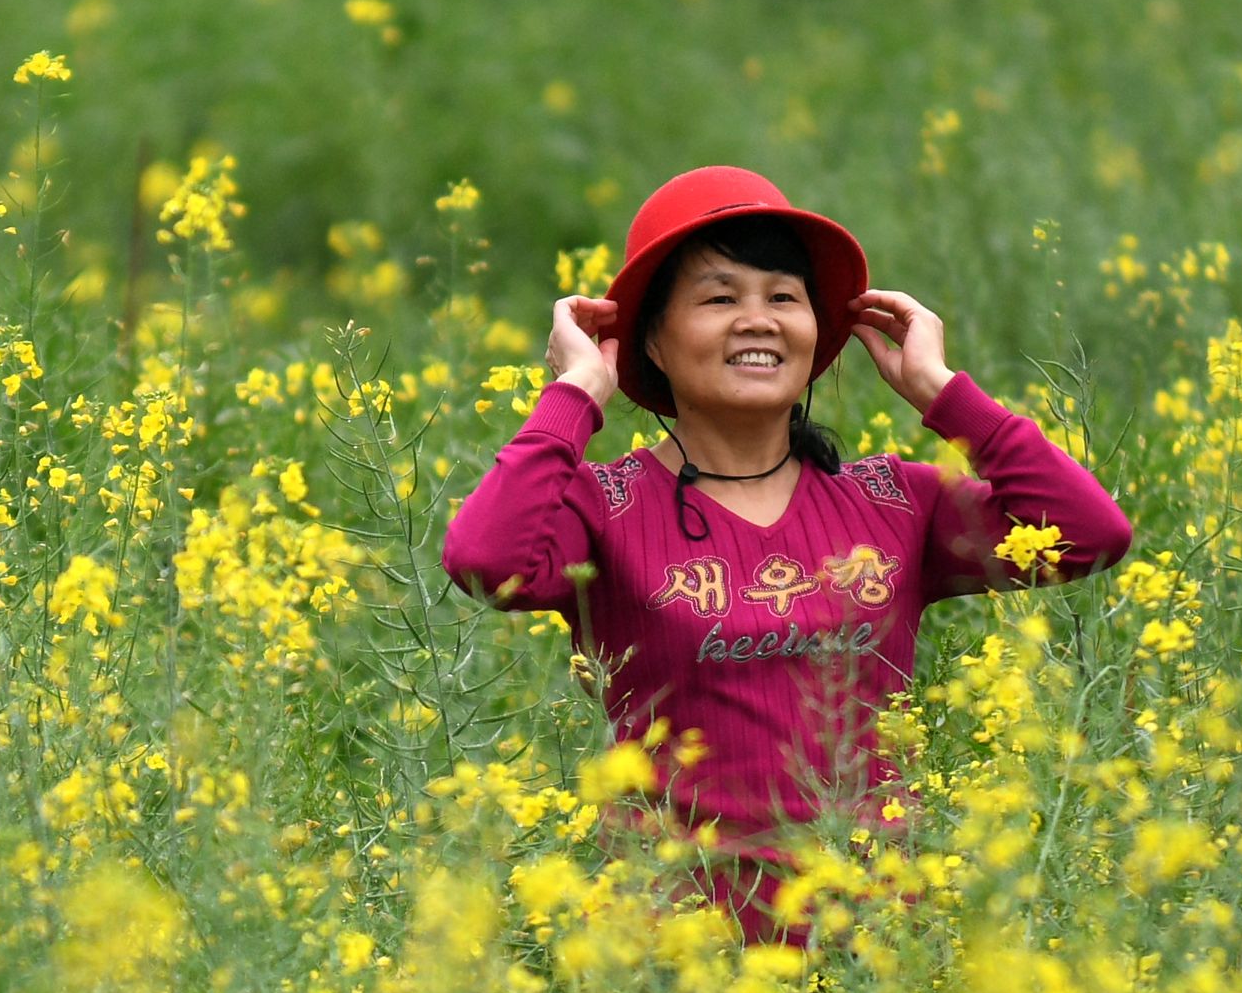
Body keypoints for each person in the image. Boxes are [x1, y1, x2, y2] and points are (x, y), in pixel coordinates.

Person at [438, 164, 1133, 935]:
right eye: (719, 297)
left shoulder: (896, 503)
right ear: (654, 345)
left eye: (783, 298)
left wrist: (943, 393)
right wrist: (575, 394)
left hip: (876, 961)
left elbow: (1091, 538)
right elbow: (485, 560)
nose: (758, 319)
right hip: (682, 965)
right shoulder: (604, 507)